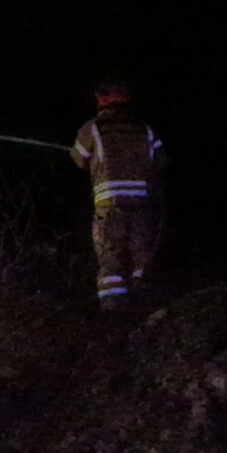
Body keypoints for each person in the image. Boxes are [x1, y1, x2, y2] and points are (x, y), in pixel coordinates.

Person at [71, 80, 167, 309]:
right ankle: (143, 309)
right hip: (142, 205)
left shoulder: (92, 128)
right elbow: (162, 161)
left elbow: (78, 159)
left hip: (109, 205)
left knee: (110, 260)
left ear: (104, 99)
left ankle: (113, 315)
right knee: (141, 257)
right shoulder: (146, 129)